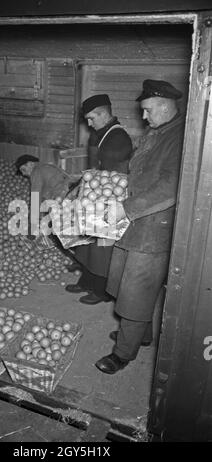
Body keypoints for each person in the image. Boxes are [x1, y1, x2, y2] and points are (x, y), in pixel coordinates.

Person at [95, 79, 186, 374]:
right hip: (133, 222)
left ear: (164, 105)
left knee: (137, 290)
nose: (143, 117)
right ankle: (140, 335)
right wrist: (110, 183)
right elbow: (138, 168)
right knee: (128, 285)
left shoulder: (180, 138)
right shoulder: (156, 132)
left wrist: (126, 207)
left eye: (147, 110)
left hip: (152, 228)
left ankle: (123, 353)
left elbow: (171, 187)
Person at [66, 94, 133, 304]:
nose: (88, 123)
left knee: (102, 250)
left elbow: (112, 175)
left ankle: (101, 291)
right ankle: (86, 281)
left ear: (103, 114)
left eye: (91, 118)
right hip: (99, 195)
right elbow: (97, 170)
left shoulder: (117, 138)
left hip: (110, 199)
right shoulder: (102, 134)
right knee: (88, 244)